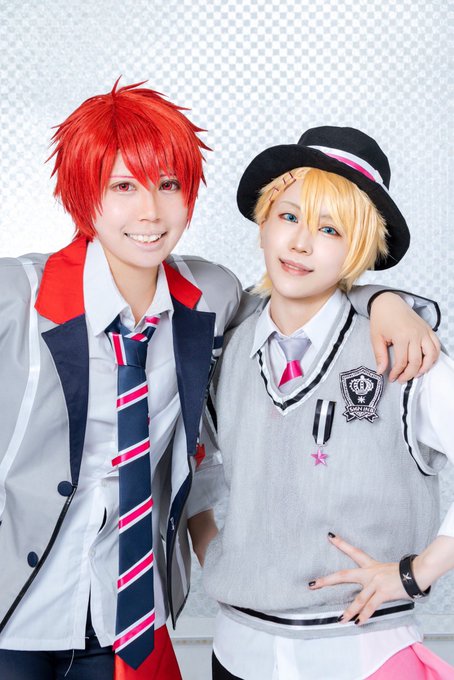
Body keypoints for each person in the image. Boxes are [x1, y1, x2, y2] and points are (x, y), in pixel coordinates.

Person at [0, 82, 440, 680]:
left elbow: (304, 298)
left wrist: (384, 300)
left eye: (168, 185)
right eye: (123, 186)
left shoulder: (211, 297)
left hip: (124, 621)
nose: (150, 212)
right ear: (84, 191)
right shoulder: (17, 295)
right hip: (14, 607)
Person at [201, 126, 454, 679]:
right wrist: (215, 548)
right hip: (237, 650)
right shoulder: (227, 347)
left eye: (330, 228)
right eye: (288, 216)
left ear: (360, 247)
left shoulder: (403, 349)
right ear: (263, 221)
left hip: (362, 653)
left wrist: (416, 572)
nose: (300, 243)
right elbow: (196, 464)